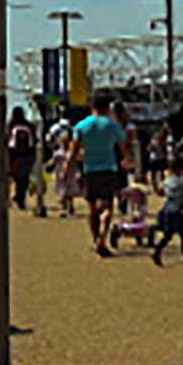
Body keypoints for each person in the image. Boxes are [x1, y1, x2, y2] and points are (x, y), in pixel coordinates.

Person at [71, 96, 128, 257]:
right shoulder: (112, 125)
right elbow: (123, 145)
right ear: (107, 108)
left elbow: (74, 149)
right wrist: (127, 160)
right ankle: (102, 237)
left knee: (92, 208)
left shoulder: (81, 125)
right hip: (109, 168)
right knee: (108, 206)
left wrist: (69, 167)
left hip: (89, 169)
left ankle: (96, 238)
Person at [150, 154, 183, 268]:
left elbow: (160, 192)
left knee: (168, 234)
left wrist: (154, 184)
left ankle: (158, 249)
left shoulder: (167, 181)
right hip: (178, 211)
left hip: (167, 209)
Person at [7, 106, 37, 211]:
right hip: (28, 156)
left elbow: (7, 141)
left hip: (14, 155)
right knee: (24, 178)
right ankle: (20, 198)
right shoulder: (29, 125)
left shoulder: (11, 125)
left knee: (16, 178)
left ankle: (16, 197)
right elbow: (34, 141)